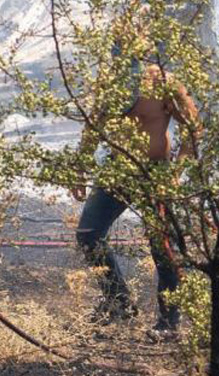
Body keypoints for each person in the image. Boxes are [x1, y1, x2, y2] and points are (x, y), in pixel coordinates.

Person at [72, 46, 201, 334]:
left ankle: (168, 322)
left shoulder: (165, 83)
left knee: (163, 246)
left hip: (156, 172)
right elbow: (94, 125)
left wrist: (177, 172)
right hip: (119, 169)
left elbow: (194, 127)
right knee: (88, 234)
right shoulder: (111, 84)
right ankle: (118, 302)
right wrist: (79, 166)